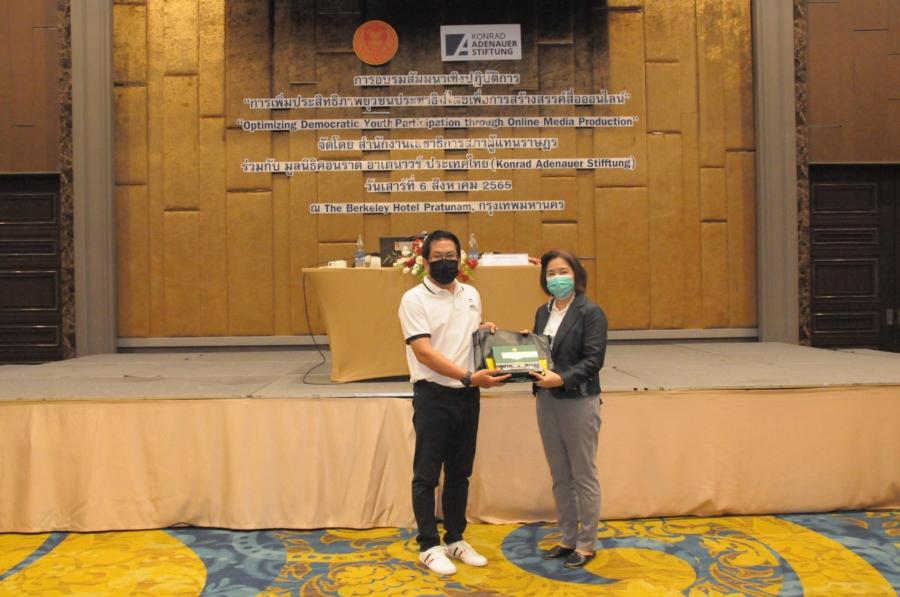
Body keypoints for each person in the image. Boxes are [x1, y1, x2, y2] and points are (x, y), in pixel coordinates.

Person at [398, 230, 510, 576]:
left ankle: (456, 538)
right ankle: (428, 545)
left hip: (467, 396)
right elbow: (424, 353)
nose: (444, 262)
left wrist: (485, 331)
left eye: (450, 256)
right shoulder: (413, 299)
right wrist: (467, 377)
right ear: (425, 261)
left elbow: (466, 337)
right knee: (427, 474)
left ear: (460, 259)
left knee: (460, 473)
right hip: (433, 395)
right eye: (438, 257)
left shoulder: (471, 294)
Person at [528, 249, 608, 568]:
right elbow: (538, 352)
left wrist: (560, 378)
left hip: (579, 400)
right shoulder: (542, 312)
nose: (557, 278)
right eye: (550, 273)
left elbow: (593, 360)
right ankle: (567, 538)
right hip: (546, 400)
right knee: (560, 474)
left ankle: (587, 543)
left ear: (576, 275)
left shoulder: (591, 312)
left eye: (563, 272)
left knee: (583, 474)